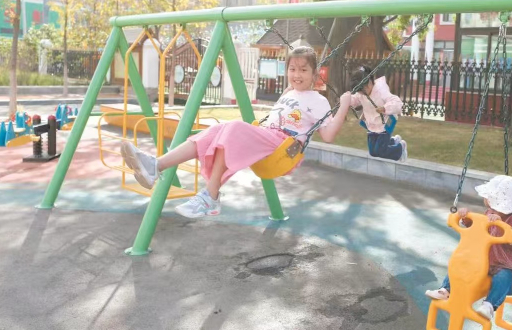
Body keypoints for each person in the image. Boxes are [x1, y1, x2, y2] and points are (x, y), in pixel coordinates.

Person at [120, 46, 352, 218]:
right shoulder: (289, 93)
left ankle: (211, 196)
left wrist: (343, 105)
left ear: (315, 74)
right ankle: (156, 165)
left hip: (283, 147)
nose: (297, 74)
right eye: (292, 69)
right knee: (214, 131)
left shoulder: (318, 101)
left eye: (303, 70)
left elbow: (328, 135)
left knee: (232, 128)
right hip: (266, 136)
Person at [425, 175, 512, 320]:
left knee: (505, 276)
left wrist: (502, 224)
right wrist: (465, 217)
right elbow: (476, 227)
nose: (485, 198)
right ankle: (446, 289)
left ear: (496, 200)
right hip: (483, 258)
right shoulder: (488, 213)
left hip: (504, 263)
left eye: (488, 196)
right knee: (459, 264)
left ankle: (489, 304)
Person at [349, 65, 407, 162]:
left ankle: (400, 148)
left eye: (362, 91)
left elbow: (397, 102)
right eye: (359, 92)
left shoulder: (381, 91)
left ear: (369, 83)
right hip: (371, 124)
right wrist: (347, 100)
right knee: (373, 152)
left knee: (380, 150)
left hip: (385, 123)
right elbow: (355, 99)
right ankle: (393, 141)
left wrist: (385, 108)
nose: (361, 94)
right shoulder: (362, 93)